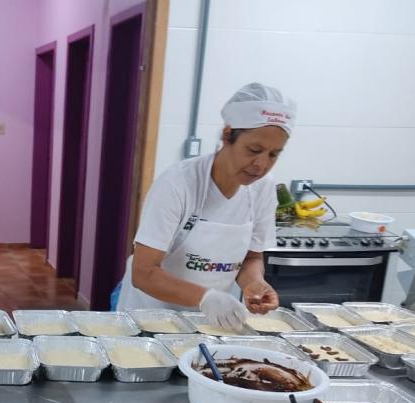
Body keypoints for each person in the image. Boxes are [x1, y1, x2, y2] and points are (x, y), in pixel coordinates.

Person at [117, 82, 296, 330]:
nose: (261, 165)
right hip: (152, 318)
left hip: (211, 322)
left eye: (274, 154)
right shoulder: (179, 183)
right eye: (254, 150)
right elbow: (144, 272)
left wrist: (253, 282)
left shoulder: (263, 188)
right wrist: (206, 297)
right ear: (227, 135)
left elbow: (252, 257)